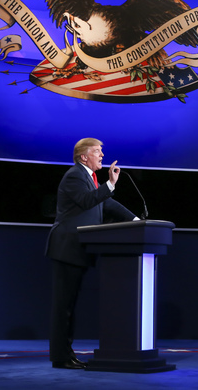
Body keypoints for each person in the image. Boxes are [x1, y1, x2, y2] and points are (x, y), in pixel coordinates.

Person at [45, 138, 137, 369]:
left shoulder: (89, 177)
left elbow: (106, 204)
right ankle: (61, 357)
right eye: (97, 151)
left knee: (69, 306)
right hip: (67, 248)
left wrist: (136, 220)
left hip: (77, 249)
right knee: (63, 307)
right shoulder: (75, 175)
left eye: (101, 151)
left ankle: (66, 355)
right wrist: (110, 184)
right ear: (84, 157)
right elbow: (88, 201)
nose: (102, 155)